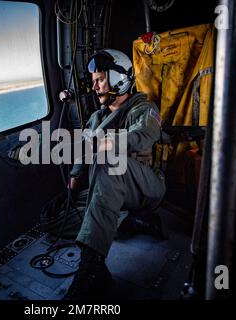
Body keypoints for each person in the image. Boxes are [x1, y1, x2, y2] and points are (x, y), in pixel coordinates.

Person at [63, 49, 166, 300]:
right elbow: (84, 149)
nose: (94, 86)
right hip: (113, 187)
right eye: (93, 81)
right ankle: (128, 222)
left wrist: (107, 143)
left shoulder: (143, 108)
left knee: (110, 161)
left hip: (146, 186)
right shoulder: (97, 116)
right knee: (59, 215)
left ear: (118, 79)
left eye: (100, 80)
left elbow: (144, 135)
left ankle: (92, 268)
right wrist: (74, 181)